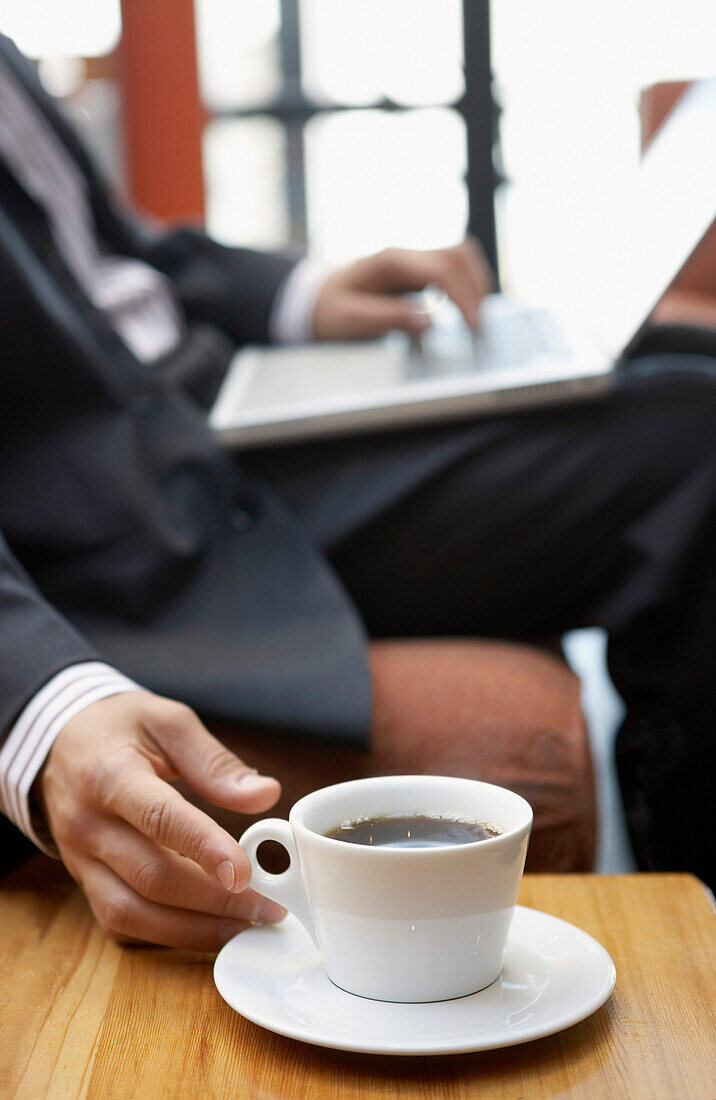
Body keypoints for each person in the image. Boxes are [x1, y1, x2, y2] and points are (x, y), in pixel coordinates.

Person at [0, 34, 714, 948]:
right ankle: (692, 941)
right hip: (115, 536)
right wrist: (37, 705)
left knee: (681, 367)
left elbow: (113, 260)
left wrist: (305, 294)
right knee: (692, 448)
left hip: (217, 421)